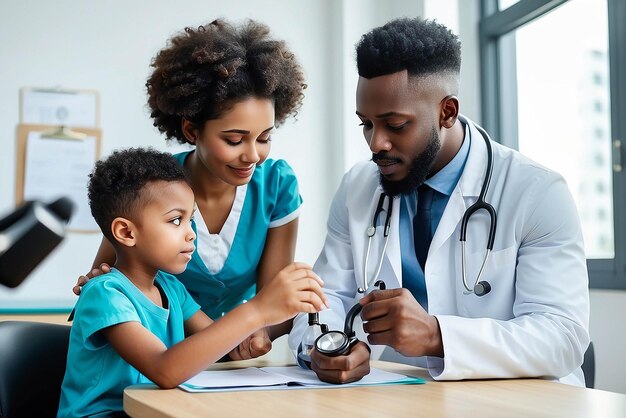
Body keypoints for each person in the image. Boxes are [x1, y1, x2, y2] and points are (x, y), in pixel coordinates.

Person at [288, 17, 590, 385]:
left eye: (395, 125)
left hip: (517, 401)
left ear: (447, 112)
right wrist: (327, 345)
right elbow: (326, 297)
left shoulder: (537, 191)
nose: (375, 143)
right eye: (365, 124)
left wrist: (436, 335)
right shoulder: (358, 187)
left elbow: (563, 337)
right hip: (398, 395)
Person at [74, 18, 308, 359]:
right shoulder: (153, 188)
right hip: (150, 360)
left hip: (226, 361)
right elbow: (110, 276)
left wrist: (257, 333)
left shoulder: (276, 185)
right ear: (191, 130)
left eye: (265, 137)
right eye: (233, 139)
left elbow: (272, 301)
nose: (253, 155)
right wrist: (98, 281)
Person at [58, 148, 327, 417]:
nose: (191, 234)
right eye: (176, 220)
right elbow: (164, 369)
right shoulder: (104, 294)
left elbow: (223, 346)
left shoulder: (171, 287)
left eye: (191, 219)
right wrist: (257, 310)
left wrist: (261, 330)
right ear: (126, 232)